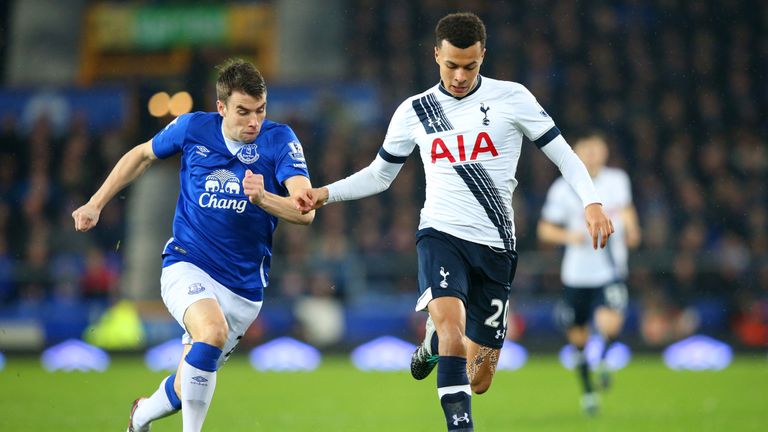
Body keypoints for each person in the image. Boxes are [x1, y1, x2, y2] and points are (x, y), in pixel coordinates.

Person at [294, 12, 614, 432]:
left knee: (480, 378)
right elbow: (379, 174)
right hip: (440, 235)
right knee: (451, 330)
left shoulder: (512, 98)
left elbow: (563, 154)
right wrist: (324, 192)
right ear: (436, 55)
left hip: (497, 247)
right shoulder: (415, 111)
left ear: (483, 55)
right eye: (451, 65)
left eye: (470, 65)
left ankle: (432, 344)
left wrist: (591, 201)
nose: (460, 75)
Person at [71, 58, 315, 432]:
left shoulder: (280, 140)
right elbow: (141, 155)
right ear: (221, 108)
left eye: (261, 110)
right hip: (188, 262)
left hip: (244, 287)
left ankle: (141, 415)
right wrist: (96, 202)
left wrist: (265, 199)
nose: (254, 121)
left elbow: (305, 211)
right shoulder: (194, 128)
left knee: (188, 384)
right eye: (243, 112)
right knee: (211, 332)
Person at [537, 132, 640, 415]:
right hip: (577, 273)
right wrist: (571, 236)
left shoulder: (618, 181)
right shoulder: (563, 187)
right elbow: (544, 229)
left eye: (597, 149)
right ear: (576, 153)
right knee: (579, 337)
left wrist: (632, 228)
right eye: (587, 150)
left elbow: (626, 209)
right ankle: (589, 393)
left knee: (610, 323)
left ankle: (605, 359)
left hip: (610, 268)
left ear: (605, 152)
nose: (593, 155)